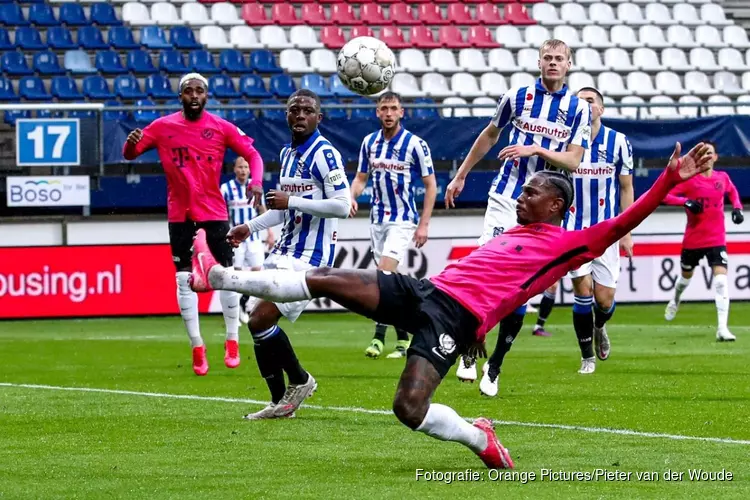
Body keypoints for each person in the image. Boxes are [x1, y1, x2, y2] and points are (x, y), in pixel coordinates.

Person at [190, 143, 712, 469]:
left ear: (555, 205)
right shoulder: (512, 233)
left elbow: (623, 223)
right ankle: (217, 275)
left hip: (449, 319)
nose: (522, 197)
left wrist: (669, 180)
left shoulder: (570, 242)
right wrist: (483, 320)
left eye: (531, 193)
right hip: (426, 291)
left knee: (407, 410)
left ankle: (478, 437)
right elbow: (493, 282)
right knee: (328, 278)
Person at [444, 38, 592, 384]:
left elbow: (573, 159)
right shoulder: (517, 97)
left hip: (547, 210)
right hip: (506, 197)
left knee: (521, 287)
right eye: (547, 58)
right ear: (539, 62)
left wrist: (535, 148)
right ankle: (469, 348)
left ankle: (494, 365)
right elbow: (490, 135)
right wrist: (461, 174)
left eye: (559, 58)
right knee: (483, 272)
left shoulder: (579, 109)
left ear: (568, 64)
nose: (553, 63)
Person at [220, 89, 351, 420]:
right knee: (256, 320)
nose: (300, 115)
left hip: (310, 257)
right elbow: (280, 210)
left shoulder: (326, 154)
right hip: (284, 250)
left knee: (261, 317)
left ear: (318, 118)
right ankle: (281, 402)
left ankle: (300, 380)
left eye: (308, 110)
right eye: (295, 110)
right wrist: (249, 227)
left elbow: (341, 205)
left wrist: (291, 201)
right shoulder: (288, 154)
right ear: (287, 115)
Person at [122, 73, 264, 376]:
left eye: (200, 91)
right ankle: (197, 347)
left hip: (213, 212)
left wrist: (256, 182)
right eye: (189, 91)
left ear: (206, 96)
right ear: (181, 96)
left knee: (225, 276)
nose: (195, 95)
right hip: (179, 214)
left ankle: (231, 340)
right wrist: (129, 145)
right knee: (183, 279)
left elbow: (252, 154)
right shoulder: (163, 127)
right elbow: (131, 154)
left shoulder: (220, 127)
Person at [349, 91, 438, 359]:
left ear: (402, 113)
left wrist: (424, 225)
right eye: (384, 108)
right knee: (391, 283)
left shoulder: (415, 144)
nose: (388, 113)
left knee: (382, 275)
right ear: (377, 112)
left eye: (393, 109)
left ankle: (378, 339)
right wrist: (351, 197)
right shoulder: (369, 143)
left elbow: (430, 184)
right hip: (377, 219)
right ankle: (403, 338)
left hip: (403, 219)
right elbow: (361, 177)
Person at [663, 142, 744, 341]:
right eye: (703, 153)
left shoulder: (722, 178)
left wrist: (737, 208)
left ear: (715, 157)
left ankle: (722, 329)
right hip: (693, 240)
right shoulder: (690, 180)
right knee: (685, 279)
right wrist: (685, 202)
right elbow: (665, 195)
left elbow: (733, 192)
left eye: (710, 153)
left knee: (720, 281)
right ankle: (675, 299)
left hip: (717, 239)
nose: (707, 156)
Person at [220, 157, 275, 324]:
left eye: (246, 167)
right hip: (235, 240)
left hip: (254, 238)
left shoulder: (255, 187)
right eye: (240, 167)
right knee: (235, 275)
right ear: (234, 169)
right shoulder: (226, 188)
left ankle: (244, 304)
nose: (243, 170)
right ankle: (234, 311)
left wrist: (270, 232)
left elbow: (263, 210)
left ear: (250, 169)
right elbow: (221, 212)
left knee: (257, 273)